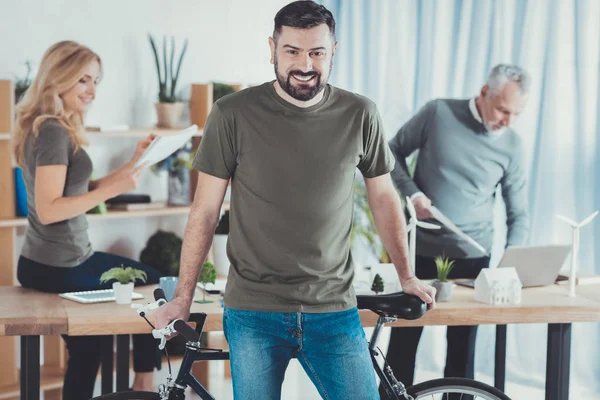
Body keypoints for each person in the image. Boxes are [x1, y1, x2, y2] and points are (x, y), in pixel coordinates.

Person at [151, 1, 436, 399]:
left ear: (333, 51)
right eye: (292, 51)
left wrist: (407, 274)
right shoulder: (232, 114)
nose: (305, 64)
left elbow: (385, 198)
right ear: (272, 49)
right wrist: (183, 298)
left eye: (317, 52)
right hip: (253, 311)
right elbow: (204, 212)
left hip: (334, 310)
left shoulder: (360, 114)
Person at [12, 40, 162, 399]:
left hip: (54, 260)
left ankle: (141, 384)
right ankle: (144, 385)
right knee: (152, 284)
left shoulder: (50, 126)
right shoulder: (52, 131)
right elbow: (50, 209)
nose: (92, 90)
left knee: (88, 347)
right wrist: (112, 190)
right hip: (58, 264)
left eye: (96, 81)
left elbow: (80, 188)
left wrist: (133, 165)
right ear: (58, 77)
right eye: (83, 80)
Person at [384, 64, 530, 398]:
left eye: (516, 114)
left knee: (462, 351)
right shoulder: (438, 113)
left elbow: (518, 213)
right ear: (483, 93)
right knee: (404, 342)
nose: (507, 121)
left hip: (473, 257)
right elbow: (391, 152)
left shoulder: (513, 146)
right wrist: (413, 194)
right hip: (419, 252)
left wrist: (509, 265)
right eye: (503, 110)